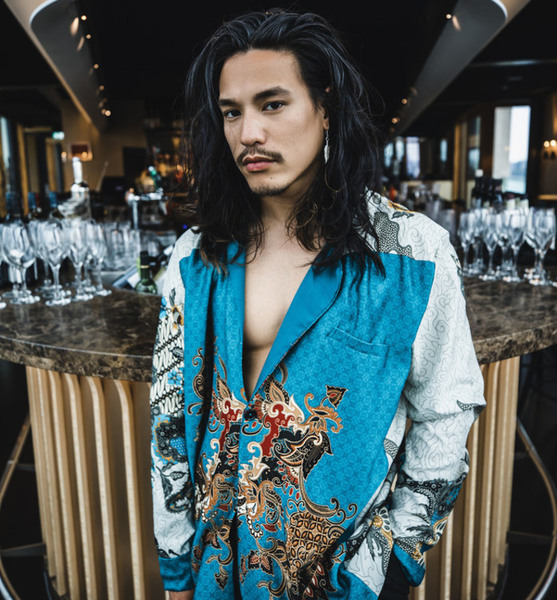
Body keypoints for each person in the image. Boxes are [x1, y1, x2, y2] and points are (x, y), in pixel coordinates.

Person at [149, 8, 485, 600]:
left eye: (272, 104)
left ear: (325, 109)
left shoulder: (412, 254)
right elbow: (169, 419)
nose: (248, 133)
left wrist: (388, 564)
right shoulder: (195, 257)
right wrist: (176, 564)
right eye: (232, 112)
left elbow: (446, 411)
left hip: (339, 581)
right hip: (216, 572)